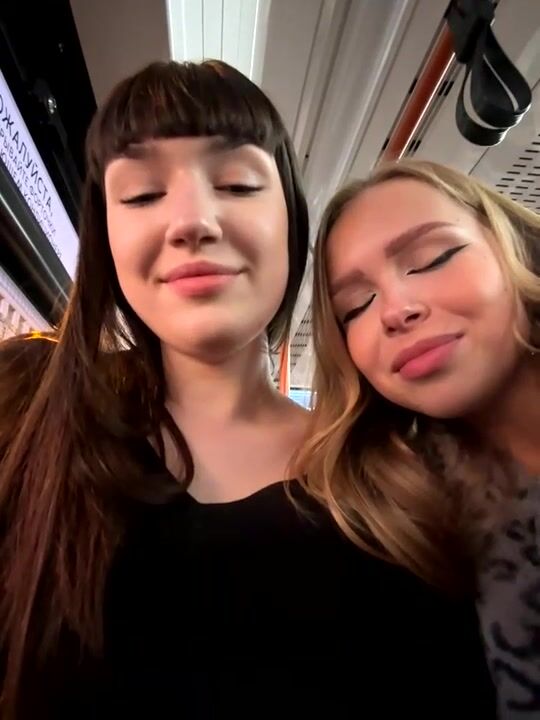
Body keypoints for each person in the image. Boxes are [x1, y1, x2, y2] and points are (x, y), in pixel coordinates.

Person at [0, 63, 494, 719]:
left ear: (292, 224)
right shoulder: (22, 415)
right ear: (106, 238)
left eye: (236, 184)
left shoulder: (398, 478)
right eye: (142, 195)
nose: (192, 221)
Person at [299, 158, 539, 718]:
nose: (396, 311)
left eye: (432, 259)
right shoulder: (394, 521)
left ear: (514, 250)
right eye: (355, 306)